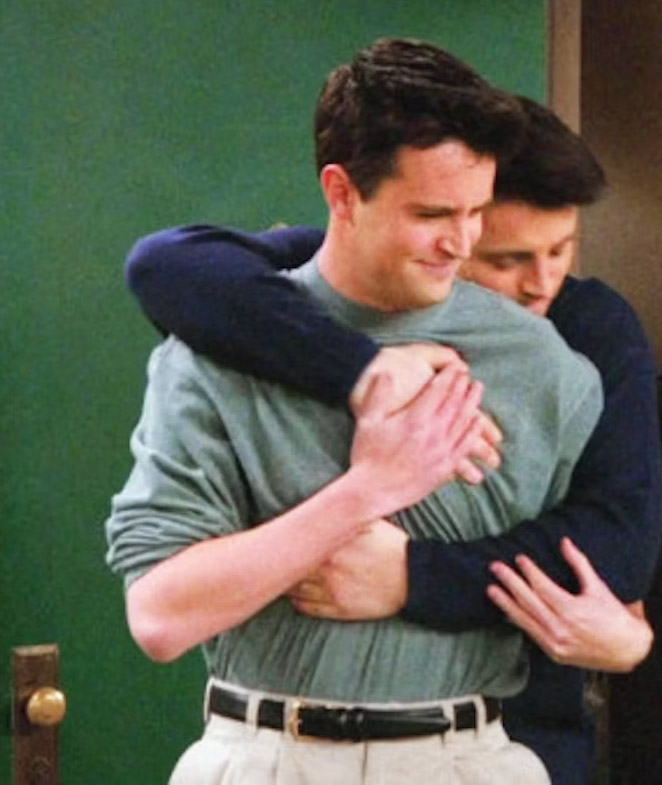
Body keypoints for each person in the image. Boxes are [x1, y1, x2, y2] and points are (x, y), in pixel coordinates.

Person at [106, 38, 605, 785]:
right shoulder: (212, 351)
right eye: (433, 213)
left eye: (476, 211)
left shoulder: (545, 367)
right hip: (263, 755)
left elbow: (606, 588)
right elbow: (159, 618)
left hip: (467, 757)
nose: (462, 241)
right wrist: (367, 489)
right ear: (341, 193)